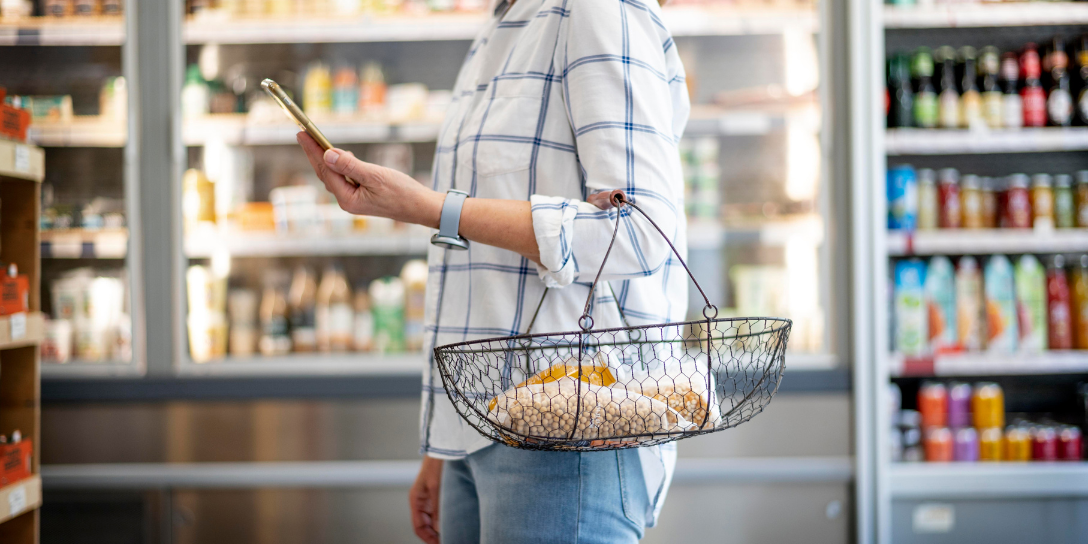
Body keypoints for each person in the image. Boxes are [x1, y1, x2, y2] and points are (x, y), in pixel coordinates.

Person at [298, 0, 689, 540]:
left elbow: (642, 233)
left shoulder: (597, 11)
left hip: (571, 431)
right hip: (475, 427)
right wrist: (442, 446)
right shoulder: (501, 24)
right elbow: (478, 275)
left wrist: (433, 209)